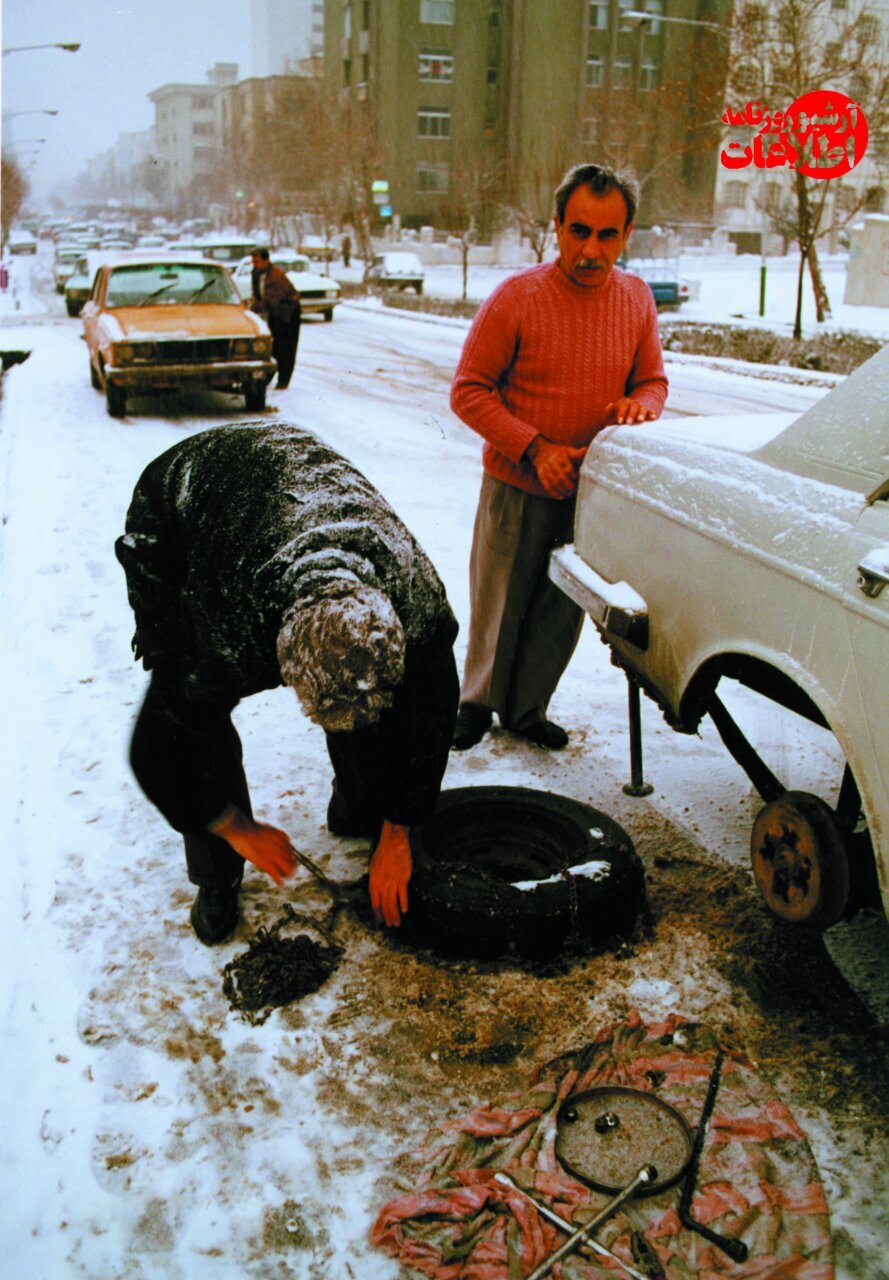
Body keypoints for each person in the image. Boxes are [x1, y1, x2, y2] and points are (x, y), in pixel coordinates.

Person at [115, 423, 459, 944]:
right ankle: (217, 874)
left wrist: (398, 828)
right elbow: (157, 751)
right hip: (178, 503)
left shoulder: (414, 601)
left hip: (297, 481)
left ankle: (361, 804)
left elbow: (432, 710)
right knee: (192, 717)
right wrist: (237, 829)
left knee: (368, 699)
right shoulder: (229, 630)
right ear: (283, 671)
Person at [450, 162, 668, 753]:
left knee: (558, 610)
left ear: (626, 235)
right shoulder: (517, 297)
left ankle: (526, 709)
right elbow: (468, 390)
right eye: (578, 231)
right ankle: (476, 703)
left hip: (586, 493)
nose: (591, 249)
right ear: (556, 227)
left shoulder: (636, 299)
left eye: (607, 234)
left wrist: (639, 405)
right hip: (517, 484)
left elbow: (653, 381)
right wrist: (534, 447)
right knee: (499, 598)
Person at [250, 247, 301, 390]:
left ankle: (283, 381)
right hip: (275, 312)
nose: (254, 264)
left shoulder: (276, 275)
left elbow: (271, 301)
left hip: (288, 313)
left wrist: (250, 309)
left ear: (266, 260)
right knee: (273, 346)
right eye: (253, 261)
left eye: (257, 261)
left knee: (286, 348)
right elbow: (258, 295)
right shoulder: (256, 272)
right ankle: (267, 378)